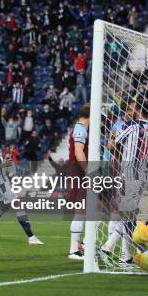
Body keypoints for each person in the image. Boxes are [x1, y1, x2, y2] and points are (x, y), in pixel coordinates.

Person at [100, 98, 148, 265]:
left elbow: (112, 146)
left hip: (129, 173)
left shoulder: (132, 127)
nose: (132, 111)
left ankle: (131, 250)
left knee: (127, 215)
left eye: (134, 108)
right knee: (128, 215)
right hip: (143, 173)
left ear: (140, 110)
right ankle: (119, 252)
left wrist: (111, 138)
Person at [0, 119, 43, 245]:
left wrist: (5, 164)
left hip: (0, 179)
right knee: (17, 204)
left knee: (4, 207)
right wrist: (3, 164)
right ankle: (31, 237)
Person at [67, 103, 90, 260]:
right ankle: (74, 250)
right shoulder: (80, 128)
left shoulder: (81, 128)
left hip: (78, 173)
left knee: (96, 210)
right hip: (79, 173)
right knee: (81, 212)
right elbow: (78, 151)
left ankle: (83, 245)